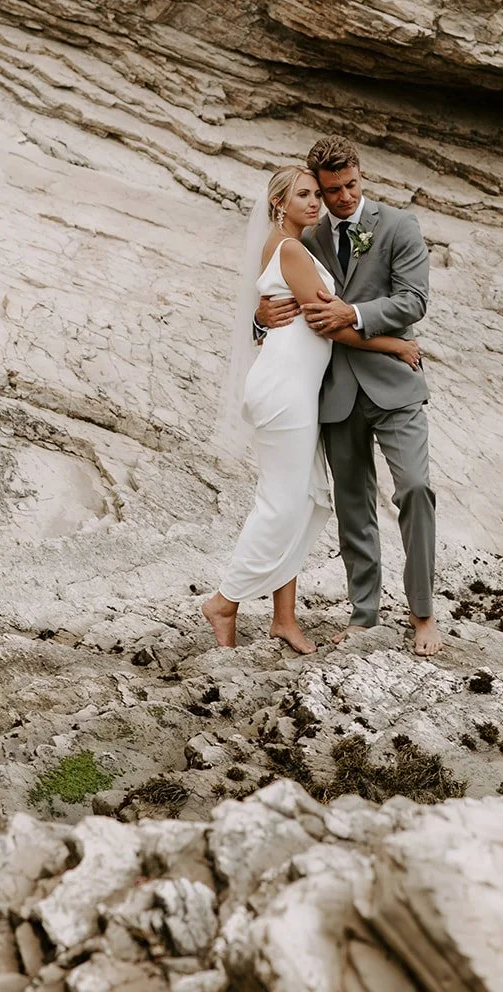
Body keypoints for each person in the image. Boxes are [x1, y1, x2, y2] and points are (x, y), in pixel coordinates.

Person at [204, 165, 422, 653]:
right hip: (285, 388)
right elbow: (329, 323)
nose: (315, 203)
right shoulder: (291, 249)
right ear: (278, 203)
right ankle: (224, 601)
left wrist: (263, 317)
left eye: (315, 195)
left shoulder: (292, 246)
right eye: (303, 195)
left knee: (305, 498)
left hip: (297, 387)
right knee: (282, 504)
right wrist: (395, 345)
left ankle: (283, 618)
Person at [254, 136, 443, 657]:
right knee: (352, 505)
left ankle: (423, 614)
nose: (341, 198)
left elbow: (413, 300)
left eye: (350, 186)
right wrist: (259, 317)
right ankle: (364, 615)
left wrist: (354, 313)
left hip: (394, 382)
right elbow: (277, 292)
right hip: (332, 387)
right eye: (330, 189)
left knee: (415, 488)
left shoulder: (398, 226)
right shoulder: (305, 234)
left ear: (361, 175)